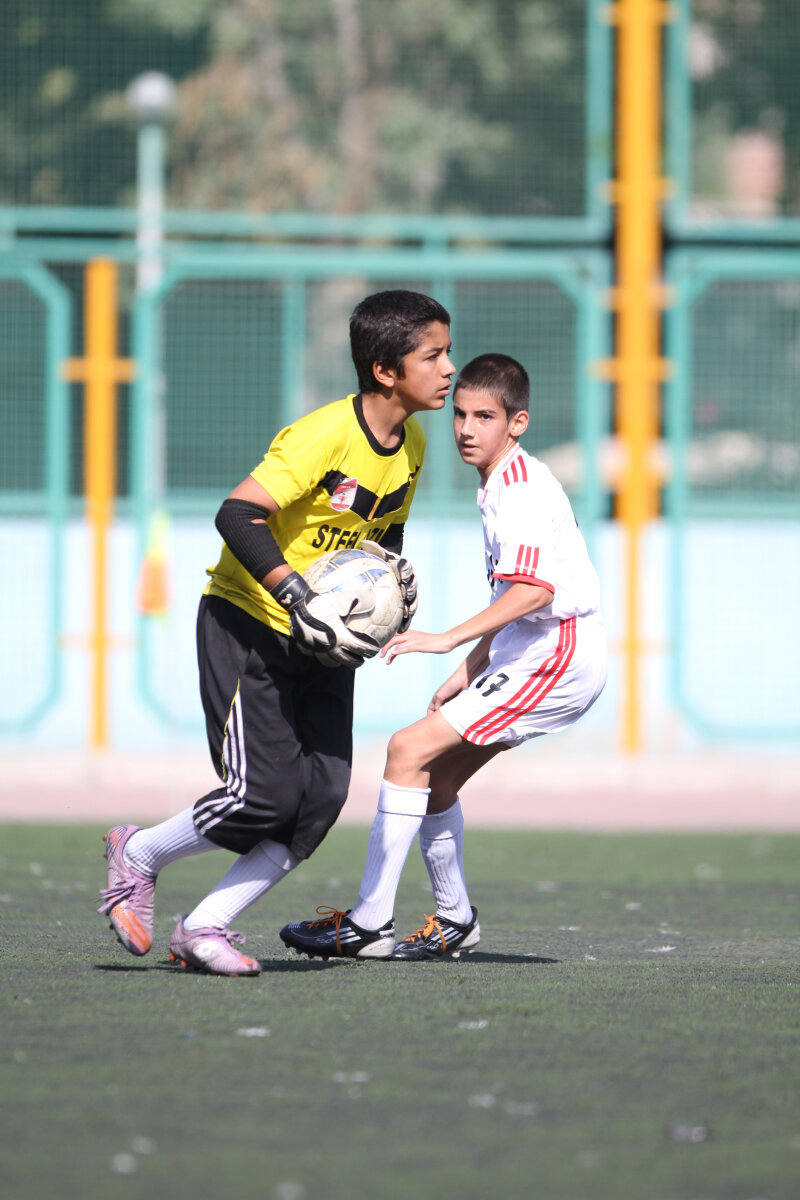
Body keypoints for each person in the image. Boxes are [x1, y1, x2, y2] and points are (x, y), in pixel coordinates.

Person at [98, 289, 454, 975]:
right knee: (262, 796)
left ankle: (204, 927)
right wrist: (296, 594)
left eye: (447, 353)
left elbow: (379, 537)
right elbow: (237, 514)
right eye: (433, 355)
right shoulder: (322, 436)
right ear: (385, 370)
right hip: (251, 625)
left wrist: (387, 590)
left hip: (324, 642)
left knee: (318, 802)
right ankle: (137, 853)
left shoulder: (413, 441)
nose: (448, 369)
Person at [280, 352, 607, 962]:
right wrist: (470, 670)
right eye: (460, 414)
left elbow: (536, 593)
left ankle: (369, 923)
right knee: (436, 780)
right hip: (532, 649)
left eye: (485, 417)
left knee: (407, 749)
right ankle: (455, 919)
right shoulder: (503, 481)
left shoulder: (519, 489)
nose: (466, 429)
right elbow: (515, 598)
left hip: (557, 653)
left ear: (517, 422)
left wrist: (447, 640)